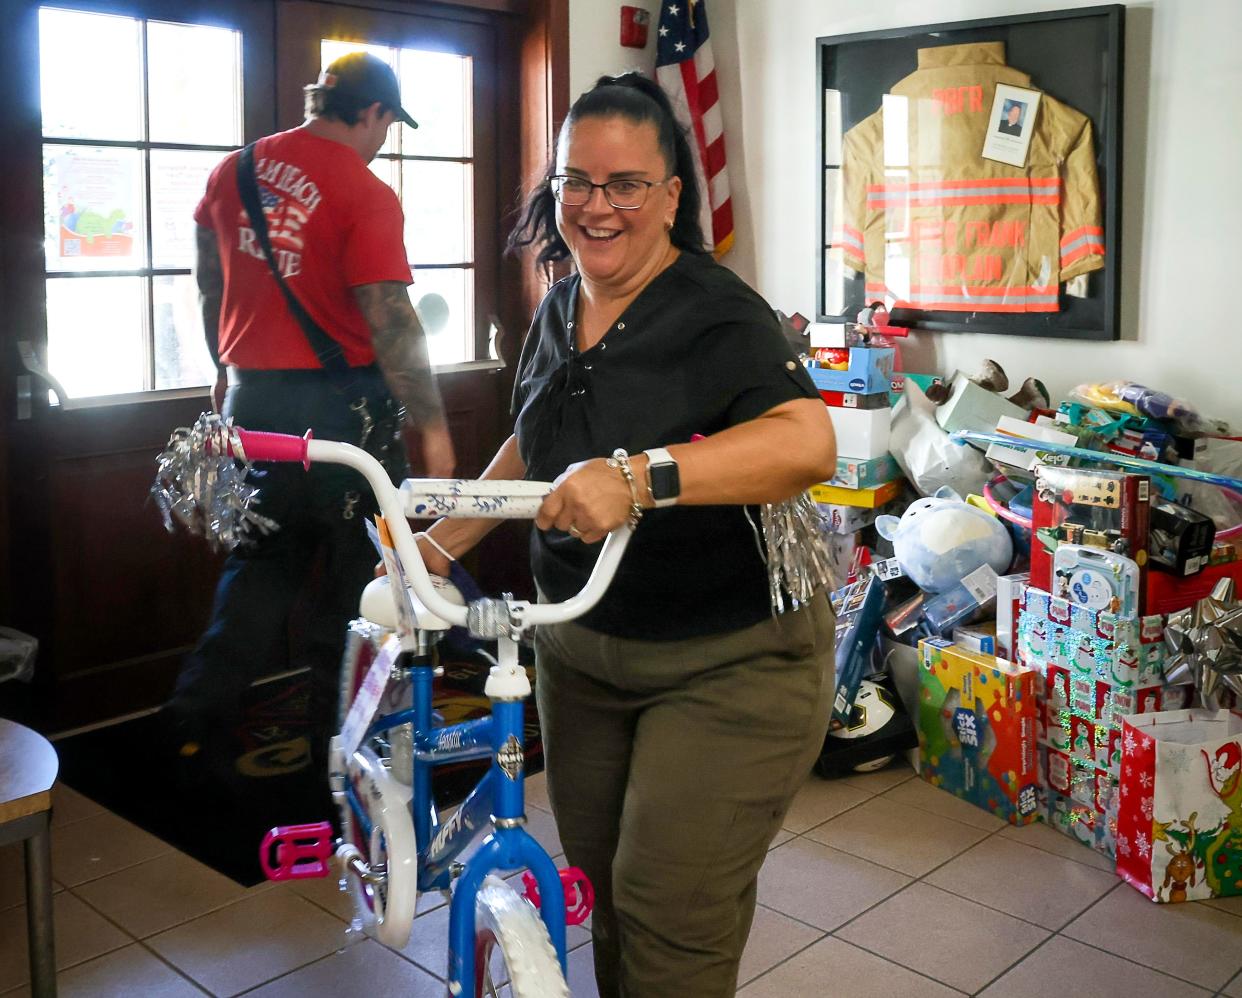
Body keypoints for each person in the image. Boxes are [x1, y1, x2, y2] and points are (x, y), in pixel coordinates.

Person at [415, 73, 837, 997]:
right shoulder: (561, 305)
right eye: (577, 182)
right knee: (607, 892)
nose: (596, 207)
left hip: (731, 665)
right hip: (583, 650)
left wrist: (640, 479)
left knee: (667, 905)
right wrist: (439, 543)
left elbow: (809, 441)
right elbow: (538, 438)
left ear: (672, 196)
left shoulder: (716, 312)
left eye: (625, 185)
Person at [162, 52, 455, 772]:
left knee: (261, 564)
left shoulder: (231, 173)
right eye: (389, 124)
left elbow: (208, 281)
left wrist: (220, 369)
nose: (385, 138)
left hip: (254, 401)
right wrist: (435, 425)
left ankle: (193, 725)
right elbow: (390, 318)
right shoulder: (366, 192)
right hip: (346, 414)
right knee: (359, 584)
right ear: (375, 112)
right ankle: (343, 745)